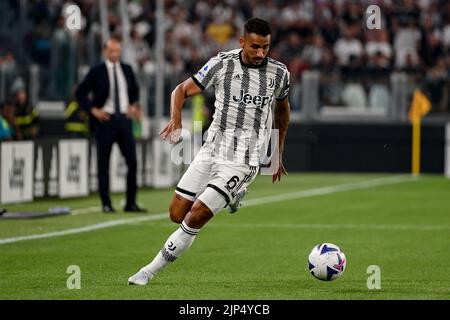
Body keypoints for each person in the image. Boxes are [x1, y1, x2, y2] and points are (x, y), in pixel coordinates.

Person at [128, 17, 291, 285]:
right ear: (242, 42)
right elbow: (179, 91)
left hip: (244, 159)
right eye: (255, 47)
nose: (261, 53)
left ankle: (148, 270)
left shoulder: (279, 74)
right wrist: (176, 120)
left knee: (197, 215)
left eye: (266, 47)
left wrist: (278, 150)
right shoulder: (222, 63)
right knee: (176, 214)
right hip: (211, 150)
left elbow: (283, 111)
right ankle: (234, 194)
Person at [75, 36, 146, 213]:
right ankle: (106, 204)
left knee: (132, 161)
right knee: (103, 163)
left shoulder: (127, 69)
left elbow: (134, 91)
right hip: (105, 121)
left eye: (118, 51)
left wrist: (134, 106)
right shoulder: (97, 71)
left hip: (124, 120)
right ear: (105, 51)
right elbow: (80, 93)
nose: (115, 54)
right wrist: (93, 110)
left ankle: (131, 202)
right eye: (112, 51)